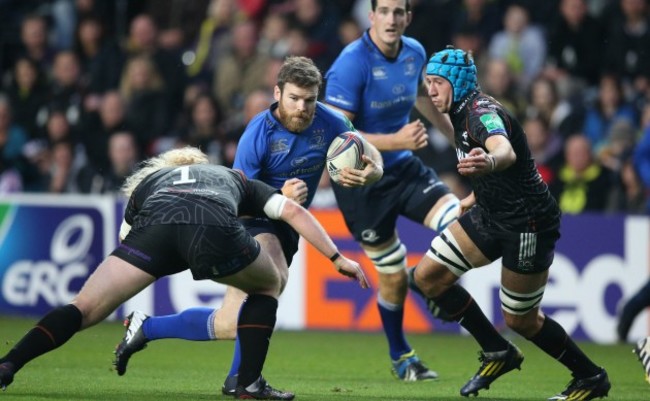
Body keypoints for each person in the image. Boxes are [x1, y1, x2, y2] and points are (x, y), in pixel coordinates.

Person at [0, 146, 369, 400]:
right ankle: (248, 385)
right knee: (270, 282)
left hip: (155, 233)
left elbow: (126, 238)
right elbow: (292, 212)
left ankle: (9, 363)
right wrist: (337, 257)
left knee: (83, 307)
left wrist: (157, 258)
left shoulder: (150, 183)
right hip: (212, 228)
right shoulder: (234, 177)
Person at [111, 56, 384, 396]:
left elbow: (369, 152)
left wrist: (373, 171)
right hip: (253, 220)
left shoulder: (331, 122)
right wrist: (280, 195)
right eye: (294, 98)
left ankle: (147, 327)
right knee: (272, 280)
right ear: (278, 93)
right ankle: (245, 383)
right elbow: (241, 199)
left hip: (287, 224)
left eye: (309, 100)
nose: (302, 107)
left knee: (228, 323)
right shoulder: (258, 133)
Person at [406, 45, 611, 400]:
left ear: (455, 82)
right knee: (427, 277)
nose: (432, 89)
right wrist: (474, 195)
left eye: (437, 82)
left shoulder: (481, 112)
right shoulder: (457, 110)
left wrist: (488, 161)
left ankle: (590, 377)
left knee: (521, 320)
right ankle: (498, 351)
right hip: (490, 213)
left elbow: (505, 150)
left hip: (527, 224)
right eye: (429, 82)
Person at [323, 0, 461, 381]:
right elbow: (336, 134)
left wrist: (457, 141)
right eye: (384, 10)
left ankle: (432, 282)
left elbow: (423, 99)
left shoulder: (415, 52)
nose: (391, 18)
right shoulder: (352, 63)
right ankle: (402, 357)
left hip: (404, 169)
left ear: (408, 18)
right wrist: (394, 139)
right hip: (361, 183)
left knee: (460, 224)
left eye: (399, 11)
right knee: (394, 276)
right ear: (371, 17)